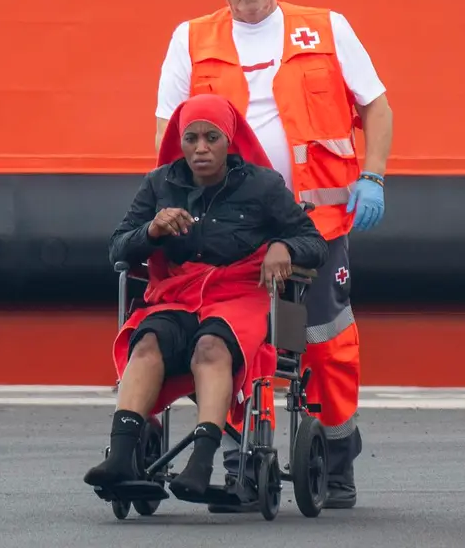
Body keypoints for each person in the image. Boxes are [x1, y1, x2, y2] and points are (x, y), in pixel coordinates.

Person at [154, 0, 393, 508]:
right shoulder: (189, 40)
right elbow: (168, 134)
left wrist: (373, 176)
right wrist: (173, 206)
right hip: (230, 231)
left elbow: (376, 105)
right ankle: (238, 460)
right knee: (234, 343)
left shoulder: (328, 29)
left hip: (317, 228)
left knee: (325, 342)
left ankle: (338, 459)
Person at [84, 94, 328, 498]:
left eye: (211, 138)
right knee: (146, 343)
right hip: (178, 295)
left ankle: (200, 465)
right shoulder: (160, 184)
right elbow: (117, 247)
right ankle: (120, 457)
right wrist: (152, 231)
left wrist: (284, 248)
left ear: (228, 139)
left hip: (241, 296)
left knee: (211, 348)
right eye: (191, 138)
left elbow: (313, 242)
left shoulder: (263, 185)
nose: (200, 148)